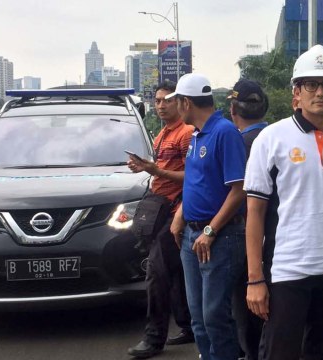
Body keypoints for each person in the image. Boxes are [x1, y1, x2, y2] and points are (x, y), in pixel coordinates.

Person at [244, 44, 323, 359]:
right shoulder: (271, 139)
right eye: (311, 84)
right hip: (288, 272)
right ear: (297, 90)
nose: (320, 92)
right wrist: (255, 278)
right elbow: (254, 213)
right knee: (279, 353)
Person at [168, 73, 247, 360]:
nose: (175, 108)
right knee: (199, 317)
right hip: (193, 234)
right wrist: (181, 214)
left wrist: (211, 231)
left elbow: (238, 190)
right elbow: (196, 180)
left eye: (176, 102)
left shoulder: (224, 133)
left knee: (215, 315)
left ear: (186, 103)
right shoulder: (198, 134)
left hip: (220, 238)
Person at [127, 81, 194, 359]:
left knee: (156, 273)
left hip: (177, 211)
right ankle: (189, 326)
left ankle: (154, 338)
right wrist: (145, 168)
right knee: (175, 272)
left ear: (181, 103)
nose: (161, 105)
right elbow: (162, 170)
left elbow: (193, 177)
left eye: (167, 100)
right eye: (157, 101)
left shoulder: (186, 134)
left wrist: (155, 170)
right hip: (159, 210)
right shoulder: (163, 135)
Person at [228, 79, 269, 360]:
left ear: (233, 110)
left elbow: (233, 196)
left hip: (246, 238)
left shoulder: (237, 144)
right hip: (279, 238)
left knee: (246, 309)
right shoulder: (278, 137)